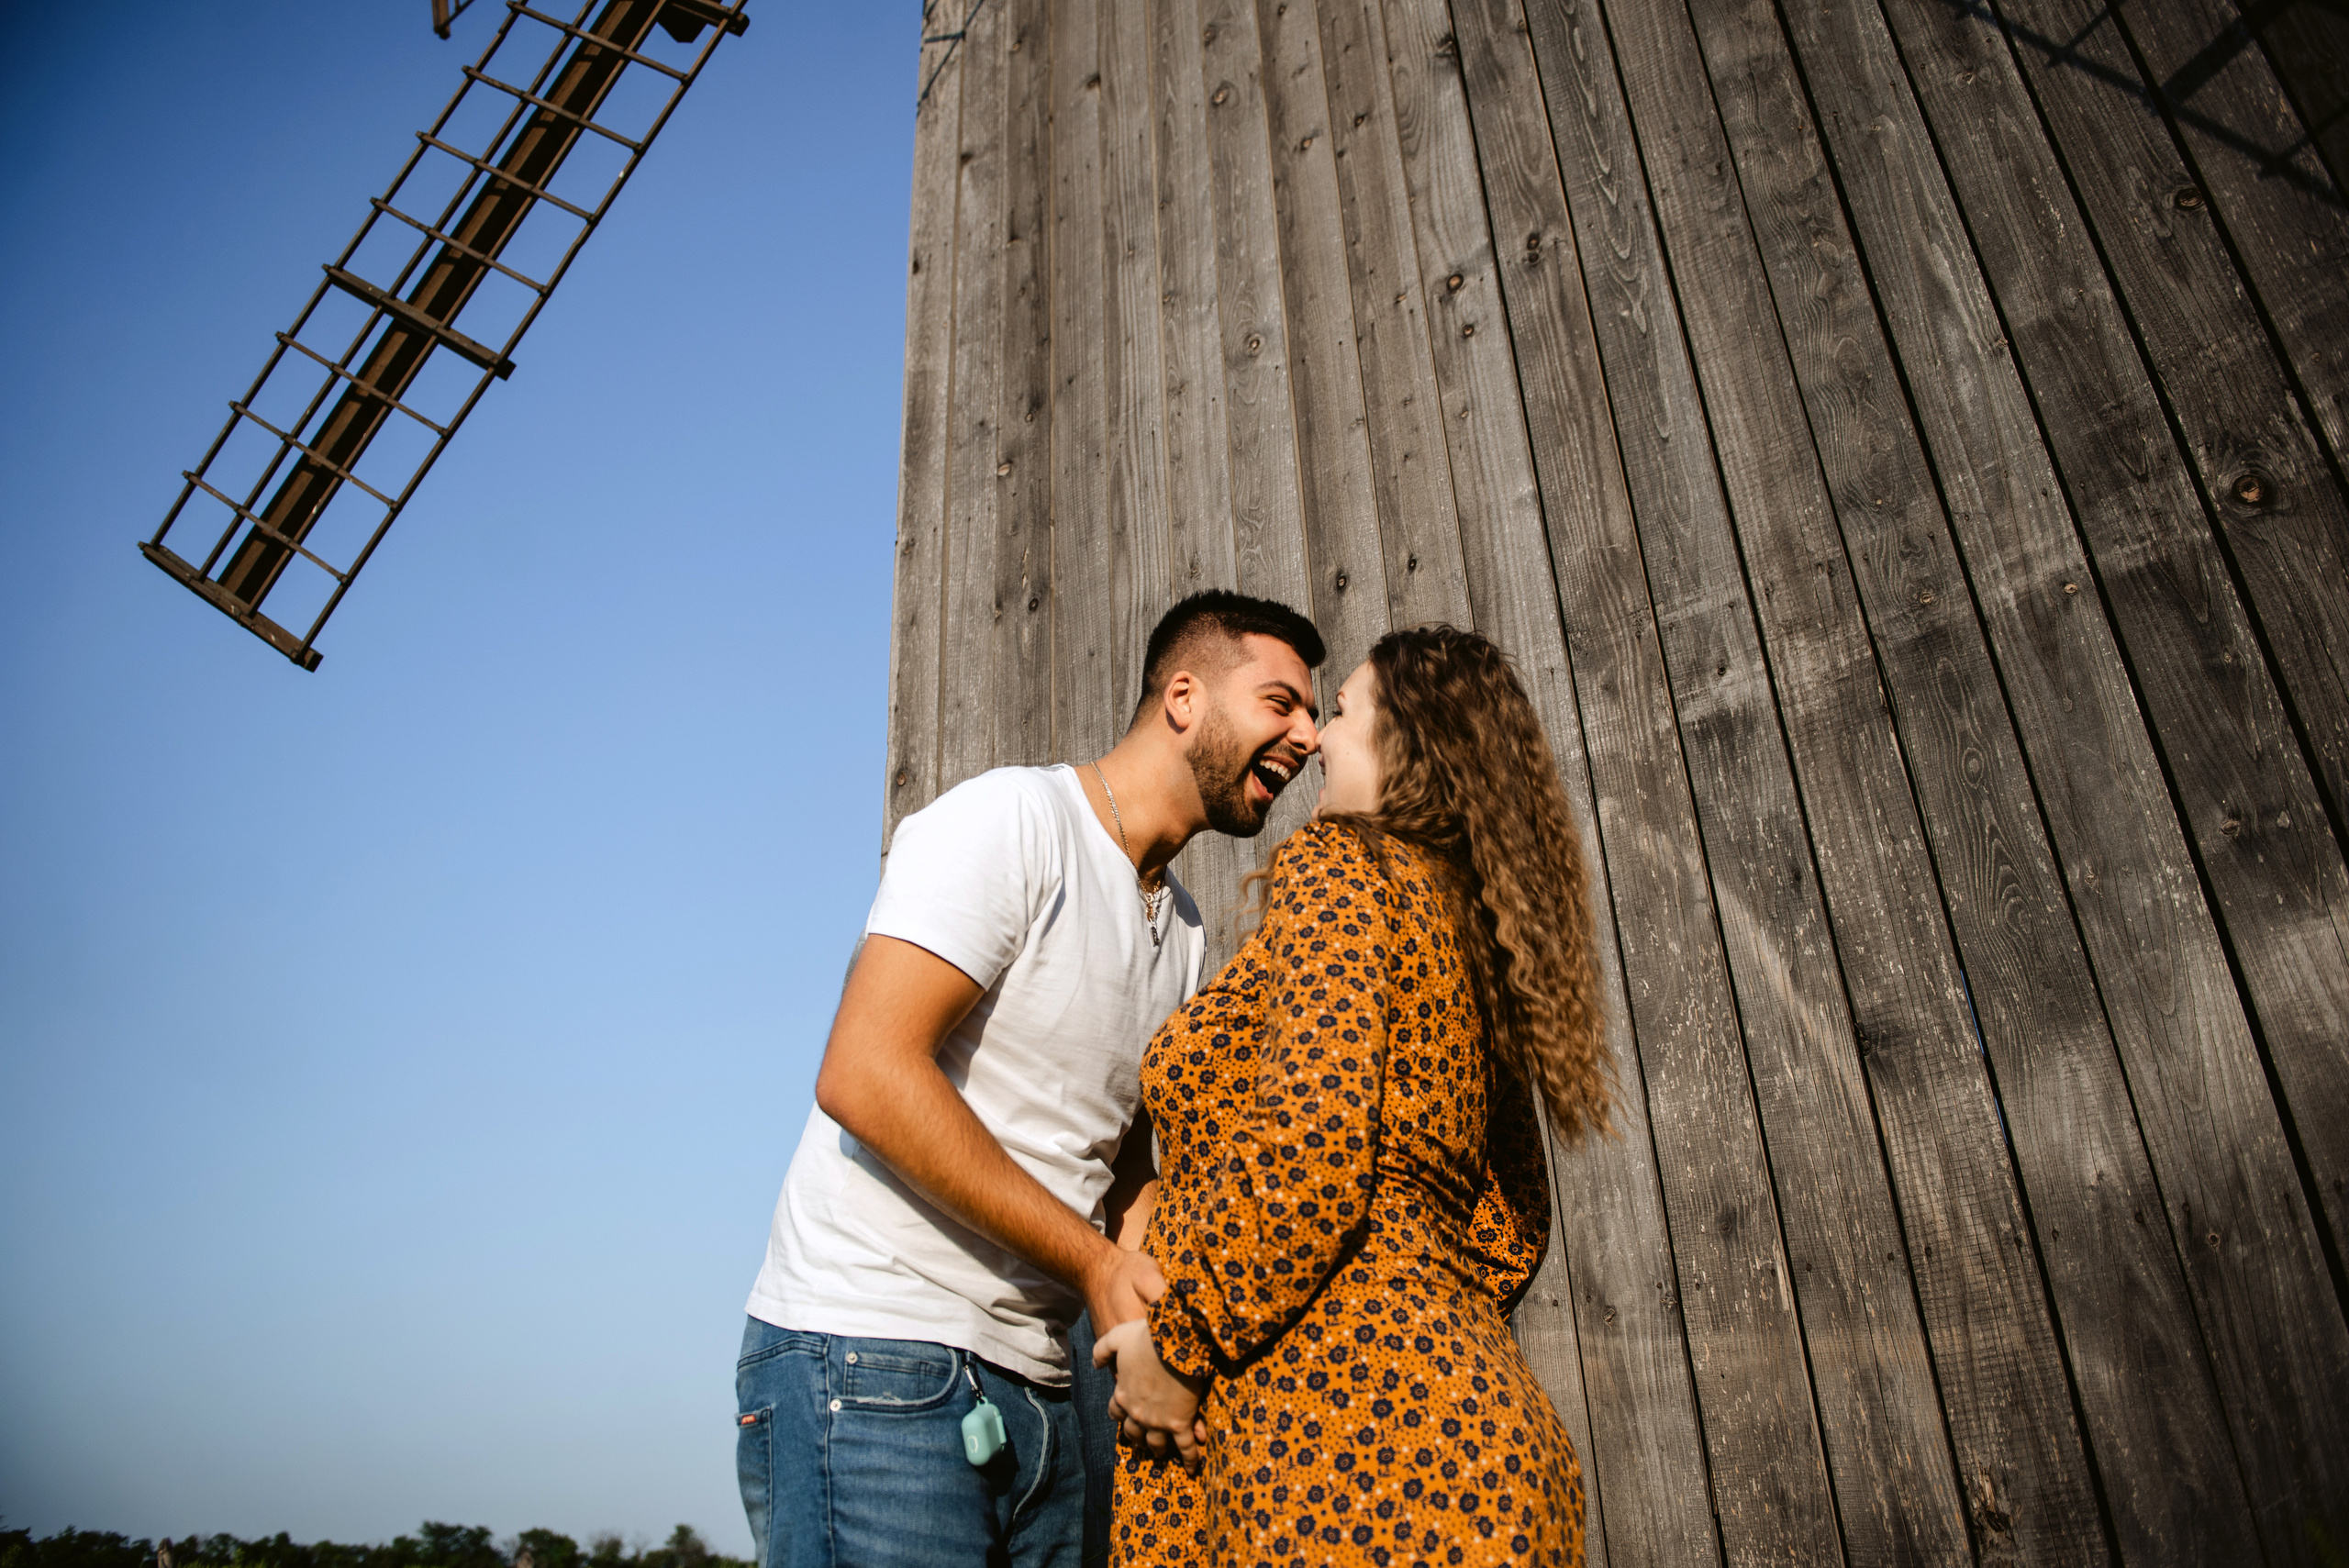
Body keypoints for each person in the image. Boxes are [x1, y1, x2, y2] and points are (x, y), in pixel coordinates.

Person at [735, 590, 1327, 1568]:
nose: (1306, 735)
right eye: (1280, 702)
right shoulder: (1016, 819)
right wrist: (1095, 1267)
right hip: (877, 1359)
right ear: (1184, 696)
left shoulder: (1182, 930)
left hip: (1041, 1389)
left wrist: (1158, 1319)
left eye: (1310, 714)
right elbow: (865, 1072)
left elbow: (1126, 1177)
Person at [1095, 624, 1614, 1568]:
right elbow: (1507, 1224)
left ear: (1403, 744)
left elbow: (1309, 1145)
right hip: (1479, 1442)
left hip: (1348, 1459)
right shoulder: (1464, 927)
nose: (1316, 740)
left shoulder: (1341, 864)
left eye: (1338, 714)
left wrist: (1179, 1344)